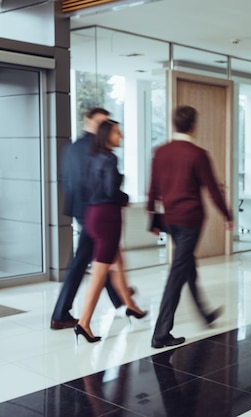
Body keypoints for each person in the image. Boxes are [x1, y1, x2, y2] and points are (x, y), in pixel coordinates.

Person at [147, 105, 233, 349]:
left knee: (187, 266)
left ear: (174, 124)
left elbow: (152, 187)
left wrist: (152, 219)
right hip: (191, 221)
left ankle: (205, 315)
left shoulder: (160, 152)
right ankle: (161, 333)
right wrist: (227, 215)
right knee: (178, 273)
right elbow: (212, 188)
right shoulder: (197, 154)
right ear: (193, 125)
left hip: (170, 220)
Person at [51, 108, 127, 330]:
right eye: (102, 122)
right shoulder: (96, 149)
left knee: (100, 258)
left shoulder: (72, 147)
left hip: (80, 209)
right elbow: (100, 185)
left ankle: (120, 299)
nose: (106, 126)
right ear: (89, 121)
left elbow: (63, 179)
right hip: (95, 211)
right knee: (88, 261)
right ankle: (62, 314)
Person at [74, 120, 146, 343]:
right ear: (106, 135)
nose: (121, 135)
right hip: (108, 217)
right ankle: (84, 323)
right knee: (100, 272)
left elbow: (85, 189)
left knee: (117, 262)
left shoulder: (90, 157)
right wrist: (125, 198)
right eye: (117, 132)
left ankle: (131, 305)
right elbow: (111, 191)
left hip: (93, 215)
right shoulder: (109, 158)